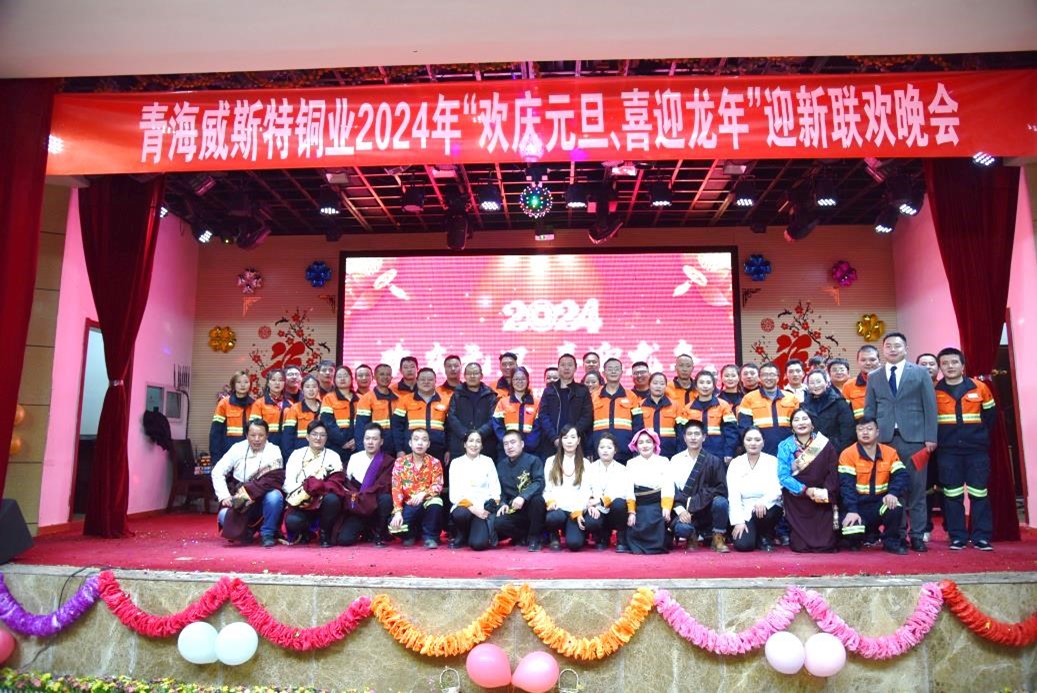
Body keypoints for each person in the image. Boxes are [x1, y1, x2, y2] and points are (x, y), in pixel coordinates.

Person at [864, 332, 938, 552]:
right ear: (883, 350)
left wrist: (931, 437)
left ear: (906, 348)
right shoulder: (874, 376)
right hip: (885, 441)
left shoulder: (920, 372)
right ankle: (898, 534)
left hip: (915, 440)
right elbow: (870, 410)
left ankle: (917, 535)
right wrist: (869, 438)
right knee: (893, 490)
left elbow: (930, 407)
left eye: (897, 346)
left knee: (917, 489)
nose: (893, 349)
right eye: (888, 346)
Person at [935, 347, 997, 551]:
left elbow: (990, 417)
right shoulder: (934, 390)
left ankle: (981, 537)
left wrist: (978, 436)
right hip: (948, 451)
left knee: (979, 493)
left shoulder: (980, 387)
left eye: (954, 362)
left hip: (976, 451)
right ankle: (957, 537)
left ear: (962, 365)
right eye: (945, 363)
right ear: (940, 367)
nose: (950, 366)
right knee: (952, 495)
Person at [838, 417, 908, 555]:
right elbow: (846, 486)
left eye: (869, 429)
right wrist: (852, 510)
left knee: (895, 506)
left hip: (878, 504)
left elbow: (902, 475)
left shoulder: (890, 452)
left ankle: (891, 542)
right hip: (857, 506)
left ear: (877, 432)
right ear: (856, 432)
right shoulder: (848, 454)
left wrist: (892, 493)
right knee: (852, 531)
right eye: (861, 429)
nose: (865, 432)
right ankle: (860, 538)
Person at [211, 419, 285, 548]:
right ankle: (247, 531)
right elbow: (217, 471)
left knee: (275, 497)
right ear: (246, 435)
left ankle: (267, 534)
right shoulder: (237, 448)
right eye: (253, 435)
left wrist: (249, 490)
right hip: (241, 500)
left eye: (261, 435)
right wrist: (224, 496)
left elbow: (273, 479)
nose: (257, 439)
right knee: (223, 516)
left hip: (262, 499)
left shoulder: (274, 450)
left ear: (267, 435)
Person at [777, 409, 840, 553]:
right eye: (796, 420)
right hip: (797, 497)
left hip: (821, 495)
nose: (801, 423)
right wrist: (805, 490)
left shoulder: (824, 444)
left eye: (805, 419)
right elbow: (783, 476)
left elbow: (832, 471)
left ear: (812, 424)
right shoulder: (784, 446)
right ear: (792, 426)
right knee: (800, 545)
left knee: (828, 544)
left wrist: (824, 492)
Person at [669, 421, 730, 553]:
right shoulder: (675, 460)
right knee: (682, 529)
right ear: (684, 438)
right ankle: (692, 535)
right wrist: (680, 510)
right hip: (685, 510)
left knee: (721, 503)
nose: (693, 437)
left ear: (704, 437)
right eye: (689, 434)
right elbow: (671, 488)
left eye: (697, 434)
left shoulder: (714, 461)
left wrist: (696, 502)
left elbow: (721, 489)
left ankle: (718, 537)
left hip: (706, 509)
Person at [283, 420, 345, 548]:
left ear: (326, 438)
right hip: (301, 501)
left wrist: (317, 490)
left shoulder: (333, 456)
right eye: (314, 434)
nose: (318, 438)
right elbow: (288, 482)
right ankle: (306, 533)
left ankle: (324, 534)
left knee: (333, 499)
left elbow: (336, 482)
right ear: (307, 437)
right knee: (292, 521)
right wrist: (304, 494)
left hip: (322, 501)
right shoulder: (297, 454)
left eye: (322, 435)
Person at [336, 423, 394, 547]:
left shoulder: (388, 461)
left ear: (381, 441)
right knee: (344, 540)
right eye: (367, 438)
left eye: (374, 439)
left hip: (376, 506)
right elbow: (347, 482)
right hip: (359, 507)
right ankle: (365, 530)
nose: (370, 442)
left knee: (386, 499)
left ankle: (379, 532)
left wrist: (366, 495)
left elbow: (384, 485)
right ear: (363, 440)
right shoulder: (354, 458)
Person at [727, 427, 783, 552]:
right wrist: (738, 521)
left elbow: (777, 487)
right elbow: (733, 495)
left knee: (765, 511)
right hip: (745, 507)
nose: (753, 443)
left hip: (768, 506)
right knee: (743, 545)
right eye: (749, 440)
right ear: (743, 442)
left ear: (763, 442)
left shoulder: (772, 461)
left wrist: (764, 501)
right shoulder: (736, 463)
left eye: (757, 440)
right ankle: (756, 536)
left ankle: (765, 535)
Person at [542, 425, 596, 551]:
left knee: (575, 544)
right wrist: (550, 501)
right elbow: (547, 489)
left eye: (573, 437)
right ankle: (554, 535)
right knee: (553, 518)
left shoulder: (586, 463)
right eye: (565, 438)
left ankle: (574, 532)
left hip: (575, 510)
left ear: (578, 440)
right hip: (557, 508)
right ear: (560, 441)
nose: (569, 441)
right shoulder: (551, 461)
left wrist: (579, 510)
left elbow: (586, 491)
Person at [389, 428, 445, 548]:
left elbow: (438, 485)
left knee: (436, 501)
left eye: (424, 440)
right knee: (393, 527)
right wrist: (398, 512)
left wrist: (423, 494)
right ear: (410, 443)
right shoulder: (400, 462)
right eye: (416, 439)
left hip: (426, 503)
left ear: (428, 444)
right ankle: (411, 534)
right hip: (409, 505)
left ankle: (430, 537)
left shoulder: (435, 462)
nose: (420, 443)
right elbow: (396, 488)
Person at [448, 430, 501, 550]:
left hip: (483, 509)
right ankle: (461, 534)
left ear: (482, 446)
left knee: (478, 544)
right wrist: (472, 508)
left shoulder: (488, 461)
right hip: (464, 507)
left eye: (478, 441)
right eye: (471, 441)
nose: (474, 444)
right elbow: (454, 494)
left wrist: (488, 508)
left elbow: (495, 489)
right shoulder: (456, 463)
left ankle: (473, 534)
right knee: (461, 514)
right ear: (465, 444)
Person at [494, 430, 547, 551]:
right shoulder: (501, 465)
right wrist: (503, 503)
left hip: (531, 508)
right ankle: (522, 537)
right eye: (506, 444)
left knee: (538, 500)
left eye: (513, 442)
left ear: (522, 444)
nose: (509, 446)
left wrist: (523, 496)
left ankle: (534, 538)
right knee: (498, 523)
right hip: (514, 510)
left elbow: (539, 482)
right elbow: (500, 490)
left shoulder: (533, 460)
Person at [624, 429, 673, 554]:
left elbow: (668, 485)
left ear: (654, 444)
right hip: (639, 503)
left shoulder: (664, 461)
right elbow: (628, 489)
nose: (644, 445)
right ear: (636, 446)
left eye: (648, 442)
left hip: (657, 503)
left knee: (656, 517)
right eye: (640, 443)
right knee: (637, 520)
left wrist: (666, 507)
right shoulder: (631, 463)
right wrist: (631, 512)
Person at [537, 353, 593, 460]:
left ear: (575, 368)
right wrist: (554, 438)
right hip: (551, 443)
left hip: (576, 444)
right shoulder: (549, 390)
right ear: (558, 368)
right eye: (563, 365)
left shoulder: (583, 390)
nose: (566, 368)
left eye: (570, 365)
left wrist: (572, 437)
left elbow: (587, 416)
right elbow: (543, 416)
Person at [737, 362, 798, 455]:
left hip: (789, 451)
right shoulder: (748, 398)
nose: (768, 378)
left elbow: (798, 425)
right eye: (765, 375)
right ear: (759, 378)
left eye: (772, 375)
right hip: (760, 452)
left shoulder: (791, 398)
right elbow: (744, 427)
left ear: (778, 377)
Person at [590, 358, 643, 464]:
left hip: (625, 451)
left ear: (622, 372)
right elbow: (588, 425)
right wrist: (589, 449)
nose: (613, 371)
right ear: (603, 373)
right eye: (610, 369)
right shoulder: (594, 396)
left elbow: (638, 424)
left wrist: (636, 448)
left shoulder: (631, 396)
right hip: (599, 450)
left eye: (616, 369)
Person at [676, 370, 738, 461]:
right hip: (693, 455)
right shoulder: (687, 408)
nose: (705, 386)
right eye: (701, 383)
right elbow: (682, 434)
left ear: (713, 386)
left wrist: (729, 452)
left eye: (708, 383)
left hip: (718, 454)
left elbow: (731, 432)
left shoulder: (724, 406)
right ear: (696, 386)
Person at [392, 367, 449, 461]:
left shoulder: (445, 400)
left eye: (430, 379)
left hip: (438, 450)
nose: (426, 382)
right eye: (422, 379)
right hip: (411, 449)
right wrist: (399, 449)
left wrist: (448, 450)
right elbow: (397, 426)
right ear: (417, 381)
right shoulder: (405, 400)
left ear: (435, 381)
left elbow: (450, 429)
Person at [586, 433, 631, 551]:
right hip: (597, 509)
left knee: (619, 504)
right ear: (597, 449)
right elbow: (585, 489)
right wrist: (590, 504)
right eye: (602, 447)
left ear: (615, 450)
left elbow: (623, 492)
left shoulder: (622, 469)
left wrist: (601, 500)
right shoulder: (590, 468)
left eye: (609, 447)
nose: (605, 450)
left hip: (614, 510)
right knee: (591, 522)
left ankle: (621, 539)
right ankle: (601, 537)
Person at [446, 362, 499, 461]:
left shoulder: (490, 395)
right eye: (469, 373)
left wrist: (478, 434)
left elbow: (493, 419)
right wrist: (466, 435)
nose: (472, 376)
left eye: (475, 373)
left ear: (481, 376)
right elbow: (452, 417)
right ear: (464, 376)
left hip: (485, 445)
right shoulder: (457, 394)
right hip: (460, 445)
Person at [801, 369, 855, 453]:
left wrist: (835, 450)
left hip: (835, 450)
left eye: (818, 382)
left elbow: (848, 431)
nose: (816, 385)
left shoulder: (839, 402)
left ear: (827, 383)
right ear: (807, 385)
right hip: (811, 452)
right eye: (812, 383)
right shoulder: (804, 405)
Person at [354, 364, 400, 457]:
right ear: (374, 377)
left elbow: (401, 426)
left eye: (388, 374)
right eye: (382, 374)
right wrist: (362, 452)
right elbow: (360, 428)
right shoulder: (366, 398)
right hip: (374, 449)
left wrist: (401, 449)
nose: (385, 377)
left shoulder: (398, 399)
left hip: (395, 449)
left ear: (392, 377)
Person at [492, 366, 541, 451]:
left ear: (528, 380)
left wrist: (525, 445)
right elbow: (498, 426)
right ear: (511, 381)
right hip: (507, 450)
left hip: (530, 450)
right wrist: (509, 444)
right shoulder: (503, 402)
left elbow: (538, 427)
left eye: (523, 379)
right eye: (516, 379)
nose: (520, 382)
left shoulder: (537, 403)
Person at [209, 370, 255, 461]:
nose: (242, 385)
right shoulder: (224, 404)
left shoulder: (255, 405)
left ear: (250, 385)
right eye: (239, 382)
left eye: (246, 382)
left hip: (250, 455)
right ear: (233, 384)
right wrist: (216, 458)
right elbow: (215, 433)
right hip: (228, 454)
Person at [638, 372, 681, 458]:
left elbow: (680, 431)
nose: (658, 386)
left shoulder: (675, 405)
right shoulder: (640, 405)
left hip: (669, 451)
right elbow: (637, 431)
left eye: (662, 384)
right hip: (646, 452)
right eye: (655, 383)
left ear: (666, 386)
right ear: (649, 385)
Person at [281, 375, 323, 459]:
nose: (311, 390)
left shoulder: (325, 408)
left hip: (322, 454)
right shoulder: (295, 409)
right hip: (300, 455)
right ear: (302, 389)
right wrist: (292, 457)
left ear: (318, 389)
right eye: (307, 387)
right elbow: (287, 437)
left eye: (314, 386)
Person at [320, 365, 357, 458]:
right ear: (334, 380)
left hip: (356, 445)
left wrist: (357, 439)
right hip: (335, 445)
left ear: (351, 378)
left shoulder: (360, 399)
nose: (342, 379)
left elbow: (364, 423)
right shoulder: (329, 398)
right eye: (339, 376)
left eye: (345, 375)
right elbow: (327, 423)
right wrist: (343, 442)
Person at [251, 368, 289, 452]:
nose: (277, 383)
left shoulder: (290, 404)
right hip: (266, 445)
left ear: (284, 383)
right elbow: (254, 427)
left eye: (280, 380)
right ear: (268, 383)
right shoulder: (259, 403)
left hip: (285, 444)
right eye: (273, 380)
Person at [843, 345, 880, 420]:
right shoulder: (848, 386)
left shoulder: (889, 382)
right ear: (857, 362)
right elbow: (844, 414)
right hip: (860, 426)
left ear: (879, 361)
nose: (868, 363)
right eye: (863, 360)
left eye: (872, 360)